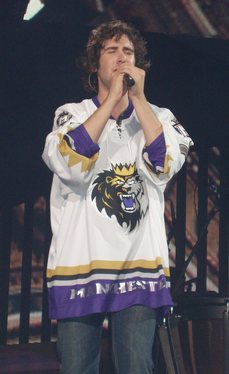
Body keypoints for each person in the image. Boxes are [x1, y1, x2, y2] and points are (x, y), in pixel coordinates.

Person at [42, 20, 193, 374]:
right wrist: (111, 98)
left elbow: (166, 164)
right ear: (94, 65)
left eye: (128, 52)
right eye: (112, 51)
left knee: (137, 367)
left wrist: (137, 99)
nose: (122, 58)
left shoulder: (159, 117)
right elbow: (69, 162)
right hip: (80, 265)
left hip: (138, 265)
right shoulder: (71, 114)